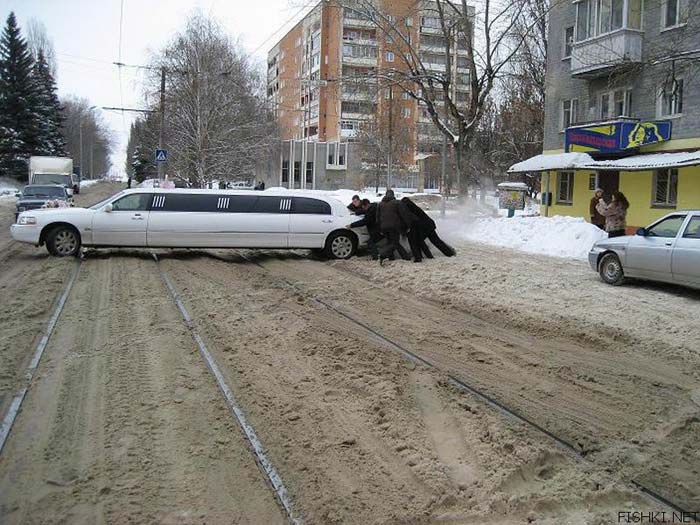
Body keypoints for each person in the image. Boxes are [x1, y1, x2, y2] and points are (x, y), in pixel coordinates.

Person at [376, 189, 413, 263]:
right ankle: (383, 253)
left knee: (390, 242)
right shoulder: (397, 203)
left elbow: (377, 217)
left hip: (384, 227)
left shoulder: (380, 204)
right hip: (394, 227)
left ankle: (392, 258)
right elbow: (404, 215)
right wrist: (408, 226)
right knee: (395, 243)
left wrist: (380, 229)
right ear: (393, 195)